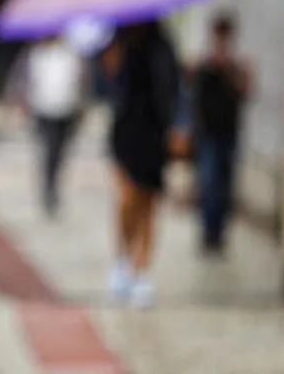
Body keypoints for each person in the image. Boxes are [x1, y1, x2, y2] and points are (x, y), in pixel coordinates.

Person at [102, 20, 181, 309]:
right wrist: (113, 62)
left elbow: (172, 89)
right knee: (126, 198)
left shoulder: (162, 45)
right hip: (125, 131)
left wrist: (175, 128)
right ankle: (122, 258)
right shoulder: (116, 40)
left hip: (153, 132)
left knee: (148, 201)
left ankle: (142, 269)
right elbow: (108, 88)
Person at [190, 12, 252, 254]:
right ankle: (207, 231)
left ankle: (219, 232)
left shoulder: (238, 63)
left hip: (229, 132)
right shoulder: (204, 63)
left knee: (224, 185)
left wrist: (227, 69)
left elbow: (245, 92)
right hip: (208, 134)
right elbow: (193, 94)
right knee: (207, 182)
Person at [10, 35, 87, 217]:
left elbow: (82, 80)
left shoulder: (72, 52)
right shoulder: (35, 53)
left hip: (67, 109)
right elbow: (21, 79)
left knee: (60, 151)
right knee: (49, 150)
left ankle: (53, 186)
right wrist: (22, 100)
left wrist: (82, 101)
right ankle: (49, 190)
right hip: (43, 110)